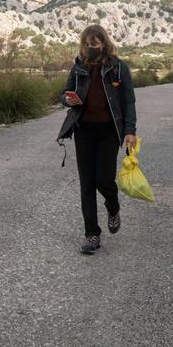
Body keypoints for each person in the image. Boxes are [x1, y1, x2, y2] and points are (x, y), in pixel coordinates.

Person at [55, 24, 138, 255]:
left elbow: (128, 101)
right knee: (87, 184)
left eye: (95, 43)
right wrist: (67, 99)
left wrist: (130, 130)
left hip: (109, 132)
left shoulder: (118, 68)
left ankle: (113, 207)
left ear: (104, 43)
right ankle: (92, 234)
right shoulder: (78, 67)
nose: (90, 48)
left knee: (104, 180)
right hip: (84, 131)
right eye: (87, 44)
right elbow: (64, 93)